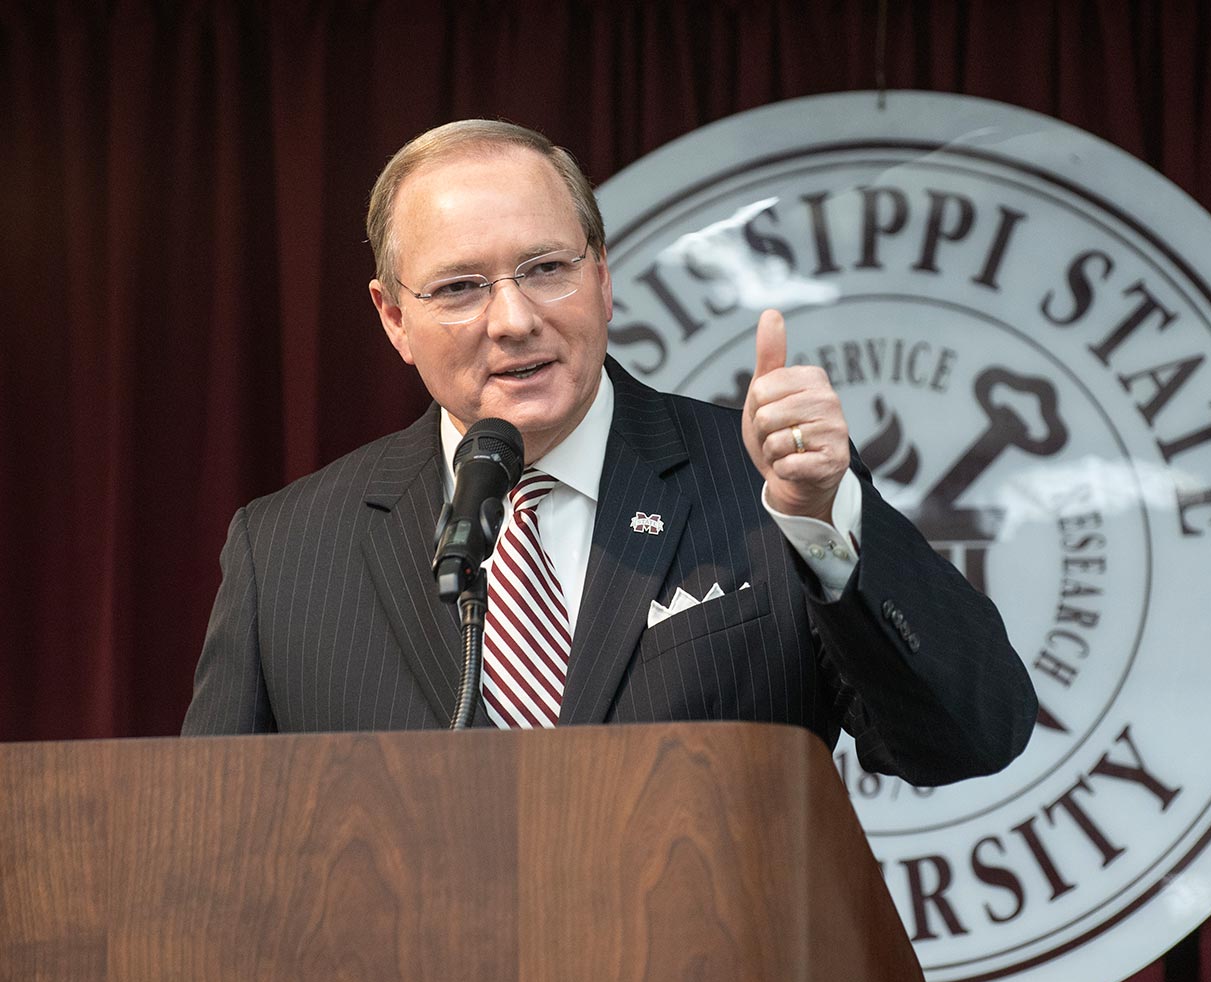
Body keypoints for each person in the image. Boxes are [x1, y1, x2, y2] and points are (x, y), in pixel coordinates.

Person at [182, 119, 1035, 785]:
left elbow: (970, 737)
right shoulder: (286, 550)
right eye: (460, 288)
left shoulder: (762, 490)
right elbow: (212, 843)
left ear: (602, 277)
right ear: (393, 318)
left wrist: (827, 523)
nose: (514, 319)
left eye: (546, 267)